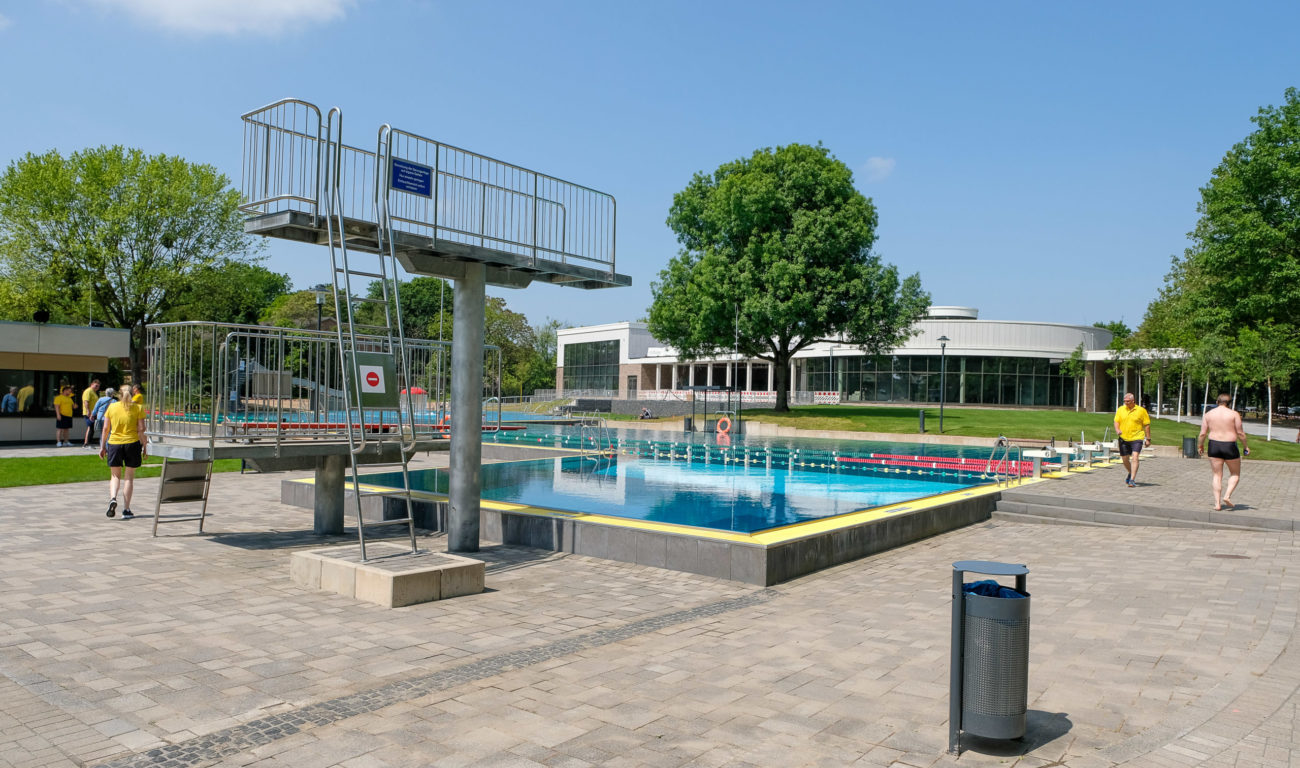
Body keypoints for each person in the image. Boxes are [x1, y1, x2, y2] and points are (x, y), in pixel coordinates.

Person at [100, 390, 148, 520]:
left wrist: (102, 446)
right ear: (131, 395)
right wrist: (145, 446)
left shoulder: (112, 407)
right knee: (129, 477)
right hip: (132, 443)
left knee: (115, 475)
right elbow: (142, 429)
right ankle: (126, 509)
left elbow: (105, 429)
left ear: (119, 395)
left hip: (114, 444)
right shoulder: (138, 408)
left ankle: (113, 498)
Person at [1198, 393, 1249, 511]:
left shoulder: (1208, 414)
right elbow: (1240, 433)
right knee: (1235, 474)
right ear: (1229, 403)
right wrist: (1246, 446)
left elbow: (1202, 433)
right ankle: (1227, 496)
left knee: (1217, 475)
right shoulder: (1234, 414)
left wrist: (1200, 445)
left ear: (1217, 402)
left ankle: (1217, 504)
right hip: (1229, 445)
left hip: (1214, 445)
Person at [1113, 391, 1151, 488]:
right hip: (1123, 437)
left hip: (1137, 437)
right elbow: (1116, 421)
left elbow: (1146, 425)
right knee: (1125, 459)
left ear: (1133, 401)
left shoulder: (1141, 410)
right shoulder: (1121, 409)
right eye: (1125, 401)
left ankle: (1132, 479)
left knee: (1135, 457)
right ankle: (1131, 472)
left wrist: (1148, 439)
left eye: (1128, 401)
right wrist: (1117, 429)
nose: (1126, 403)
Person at [81, 379, 101, 447]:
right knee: (90, 427)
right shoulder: (88, 391)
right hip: (89, 413)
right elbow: (86, 401)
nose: (97, 387)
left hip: (93, 413)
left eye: (98, 386)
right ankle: (86, 444)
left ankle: (88, 443)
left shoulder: (94, 392)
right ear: (91, 384)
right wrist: (88, 411)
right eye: (96, 386)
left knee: (92, 428)